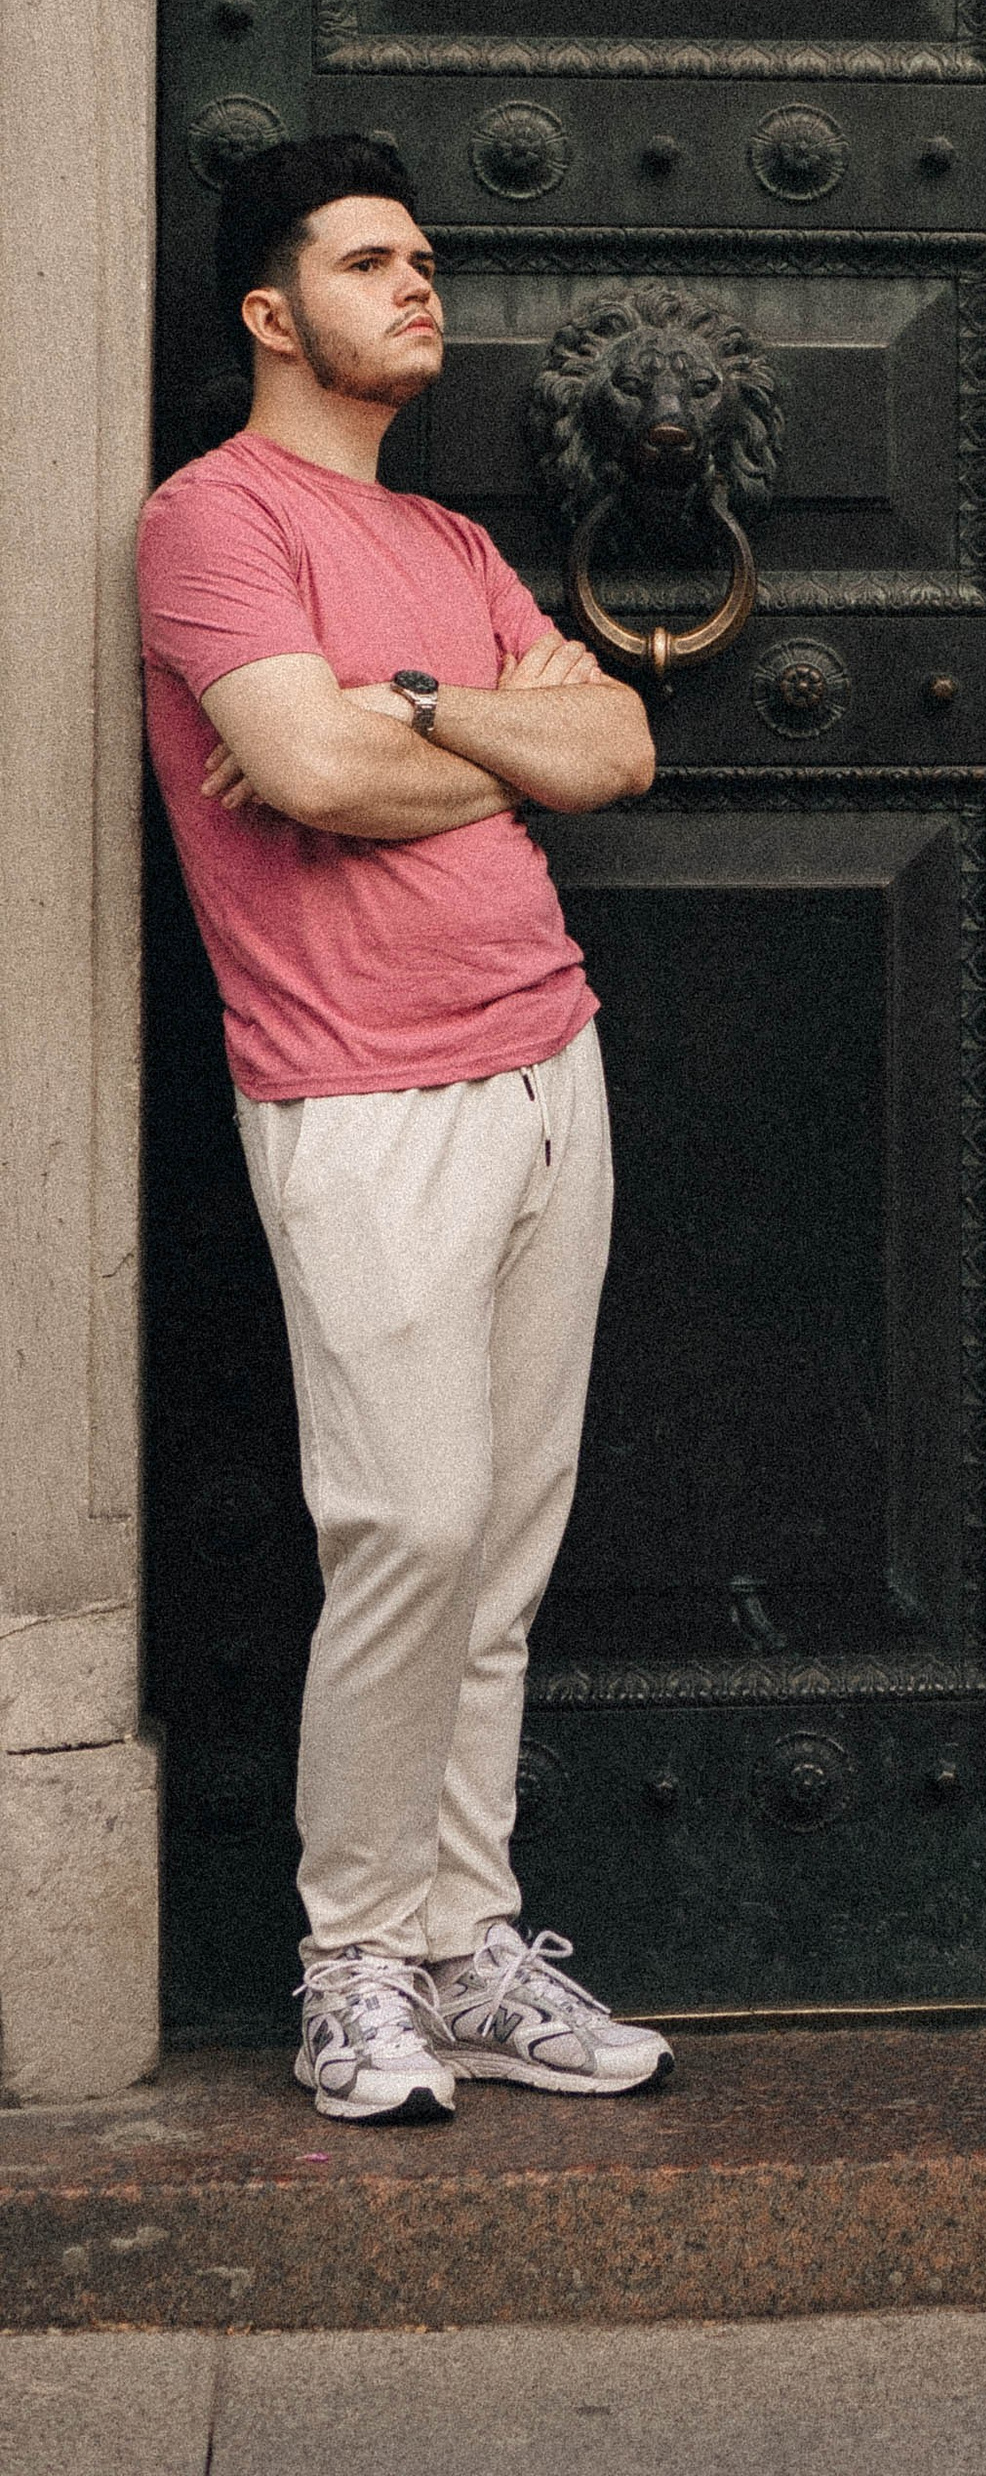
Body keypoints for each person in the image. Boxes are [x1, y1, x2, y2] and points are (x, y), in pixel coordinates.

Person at [136, 133, 667, 2127]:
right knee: (407, 1527)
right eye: (371, 262)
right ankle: (348, 1958)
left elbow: (613, 745)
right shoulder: (211, 524)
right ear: (272, 313)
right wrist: (480, 737)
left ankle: (464, 1944)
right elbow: (298, 765)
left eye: (424, 258)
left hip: (548, 1066)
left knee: (502, 1550)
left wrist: (418, 713)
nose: (417, 287)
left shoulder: (441, 548)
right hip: (355, 1090)